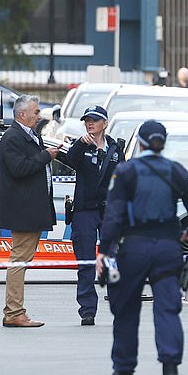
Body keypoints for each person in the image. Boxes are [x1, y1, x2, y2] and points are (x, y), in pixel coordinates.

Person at [96, 120, 188, 375]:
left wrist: (105, 250)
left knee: (126, 309)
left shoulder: (126, 171)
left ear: (141, 143)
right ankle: (171, 371)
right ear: (163, 142)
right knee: (167, 308)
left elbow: (113, 216)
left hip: (133, 248)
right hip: (168, 249)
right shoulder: (175, 170)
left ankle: (123, 374)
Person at [0, 94, 62, 328]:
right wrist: (46, 156)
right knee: (19, 260)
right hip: (22, 209)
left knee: (23, 259)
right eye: (35, 112)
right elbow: (19, 168)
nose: (39, 115)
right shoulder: (13, 137)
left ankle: (14, 311)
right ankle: (14, 312)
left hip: (32, 207)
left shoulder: (31, 135)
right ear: (22, 114)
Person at [67, 105, 124, 326]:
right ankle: (87, 309)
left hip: (109, 210)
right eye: (87, 120)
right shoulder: (80, 145)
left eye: (95, 120)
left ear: (105, 123)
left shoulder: (115, 148)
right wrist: (80, 145)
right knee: (85, 261)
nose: (90, 124)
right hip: (85, 210)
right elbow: (71, 161)